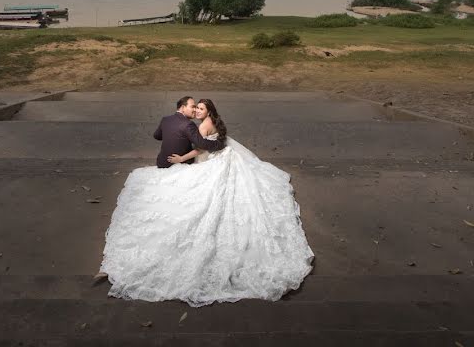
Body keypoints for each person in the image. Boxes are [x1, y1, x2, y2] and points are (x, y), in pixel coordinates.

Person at [99, 97, 315, 307]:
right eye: (195, 108)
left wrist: (182, 158)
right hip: (222, 155)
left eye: (200, 109)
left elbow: (201, 147)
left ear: (207, 112)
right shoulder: (206, 123)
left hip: (209, 160)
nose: (196, 112)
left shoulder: (199, 126)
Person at [152, 96, 224, 168]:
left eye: (198, 108)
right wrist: (218, 144)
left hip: (162, 162)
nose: (195, 110)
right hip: (179, 164)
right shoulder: (188, 124)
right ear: (183, 108)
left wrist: (169, 135)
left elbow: (156, 136)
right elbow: (201, 145)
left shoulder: (165, 120)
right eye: (193, 107)